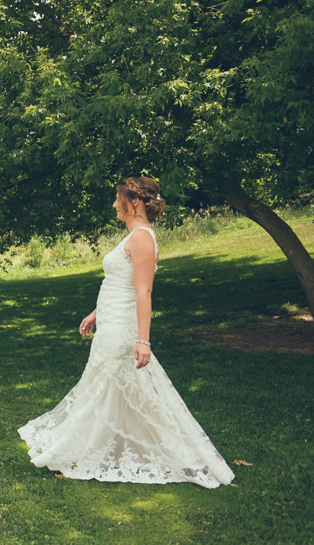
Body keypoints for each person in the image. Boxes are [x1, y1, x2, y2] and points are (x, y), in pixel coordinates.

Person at [18, 177, 234, 487]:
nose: (114, 204)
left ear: (134, 201)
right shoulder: (133, 236)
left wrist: (143, 340)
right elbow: (118, 285)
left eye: (118, 198)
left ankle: (83, 458)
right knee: (112, 389)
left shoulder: (142, 238)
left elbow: (143, 292)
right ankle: (91, 452)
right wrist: (95, 314)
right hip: (110, 322)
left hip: (122, 329)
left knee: (101, 391)